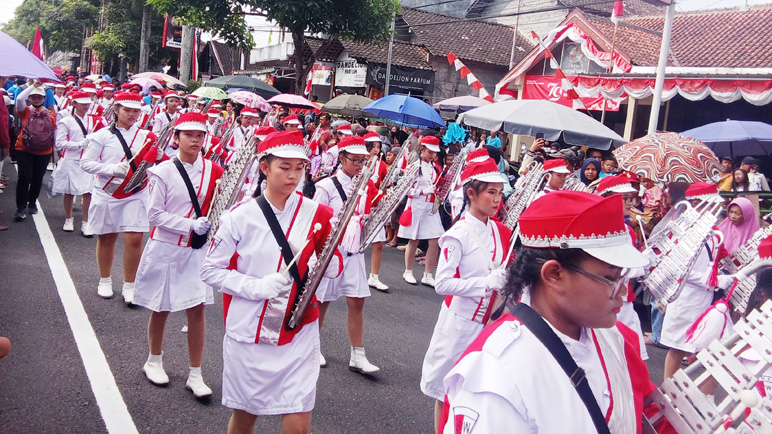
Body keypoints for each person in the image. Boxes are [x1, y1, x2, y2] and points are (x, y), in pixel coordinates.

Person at [441, 191, 652, 433]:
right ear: (554, 275)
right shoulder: (496, 373)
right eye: (611, 278)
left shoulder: (618, 337)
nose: (624, 291)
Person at [200, 130, 342, 434]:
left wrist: (324, 264)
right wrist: (256, 287)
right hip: (250, 329)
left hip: (299, 326)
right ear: (265, 167)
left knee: (299, 414)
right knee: (246, 416)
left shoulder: (316, 212)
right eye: (284, 167)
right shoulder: (239, 217)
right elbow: (211, 270)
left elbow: (334, 264)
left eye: (300, 168)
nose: (293, 176)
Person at [133, 113, 223, 398]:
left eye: (200, 135)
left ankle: (195, 373)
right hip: (167, 247)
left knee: (197, 309)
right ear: (176, 137)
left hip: (196, 249)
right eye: (189, 134)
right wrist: (189, 224)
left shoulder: (214, 169)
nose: (196, 140)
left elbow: (222, 204)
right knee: (161, 306)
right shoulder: (162, 171)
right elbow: (154, 214)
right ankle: (154, 360)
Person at [421, 158, 509, 431]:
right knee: (448, 388)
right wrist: (485, 283)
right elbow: (443, 284)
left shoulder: (497, 229)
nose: (497, 200)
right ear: (471, 193)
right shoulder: (458, 234)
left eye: (500, 192)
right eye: (490, 192)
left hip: (490, 324)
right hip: (459, 324)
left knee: (478, 391)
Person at [80, 92, 160, 302]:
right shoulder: (102, 135)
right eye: (127, 110)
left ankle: (130, 285)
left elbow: (152, 164)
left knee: (134, 238)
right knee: (107, 236)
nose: (132, 114)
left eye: (136, 111)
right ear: (116, 110)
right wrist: (112, 168)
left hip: (136, 191)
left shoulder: (146, 136)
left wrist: (159, 158)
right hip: (107, 190)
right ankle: (105, 280)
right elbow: (85, 163)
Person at [314, 135, 381, 374]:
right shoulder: (326, 186)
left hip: (353, 251)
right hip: (332, 251)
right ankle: (312, 346)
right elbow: (316, 219)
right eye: (356, 161)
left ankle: (358, 354)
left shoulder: (364, 184)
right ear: (341, 159)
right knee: (322, 301)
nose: (360, 165)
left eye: (364, 161)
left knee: (357, 301)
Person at [660, 183, 725, 380]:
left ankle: (690, 394)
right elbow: (682, 271)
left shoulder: (712, 233)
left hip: (702, 299)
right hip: (686, 297)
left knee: (701, 348)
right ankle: (668, 392)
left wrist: (716, 275)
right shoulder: (686, 230)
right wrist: (714, 280)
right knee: (678, 348)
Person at [53, 91, 106, 236]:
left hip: (89, 160)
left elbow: (104, 135)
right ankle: (68, 218)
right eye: (82, 104)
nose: (86, 107)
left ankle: (86, 222)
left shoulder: (95, 120)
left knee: (88, 191)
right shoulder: (66, 121)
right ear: (74, 103)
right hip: (71, 160)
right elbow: (59, 143)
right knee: (69, 191)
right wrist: (78, 144)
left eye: (87, 104)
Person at [399, 135, 444, 287]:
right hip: (416, 205)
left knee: (435, 240)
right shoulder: (413, 167)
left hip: (431, 207)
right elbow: (405, 189)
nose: (433, 155)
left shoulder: (435, 168)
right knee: (414, 239)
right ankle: (408, 271)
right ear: (422, 149)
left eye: (435, 153)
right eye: (430, 152)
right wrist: (424, 191)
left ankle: (428, 274)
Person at [13, 85, 56, 222]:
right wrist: (33, 86)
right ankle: (20, 207)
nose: (36, 99)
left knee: (38, 177)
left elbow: (54, 133)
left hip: (44, 150)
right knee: (24, 177)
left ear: (44, 98)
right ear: (29, 98)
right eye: (34, 97)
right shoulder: (25, 111)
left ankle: (32, 202)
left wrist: (55, 153)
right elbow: (19, 98)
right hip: (24, 149)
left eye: (39, 97)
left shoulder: (51, 115)